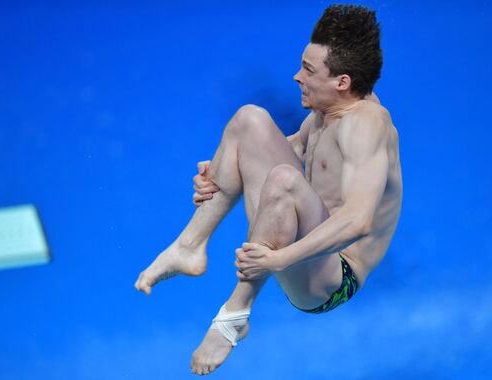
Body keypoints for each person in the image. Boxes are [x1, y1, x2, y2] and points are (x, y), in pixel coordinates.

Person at [135, 4, 402, 376]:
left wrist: (280, 259)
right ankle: (189, 246)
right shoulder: (329, 109)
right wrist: (221, 168)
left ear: (342, 81)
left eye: (308, 70)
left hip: (332, 277)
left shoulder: (367, 124)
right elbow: (287, 150)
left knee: (284, 180)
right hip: (296, 236)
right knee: (249, 120)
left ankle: (234, 316)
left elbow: (358, 220)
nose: (296, 77)